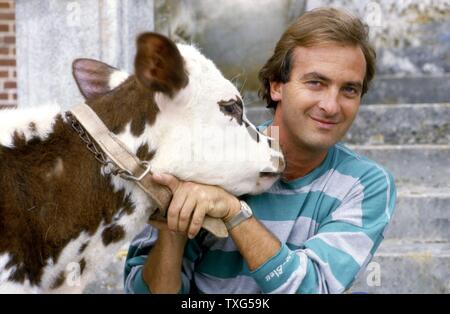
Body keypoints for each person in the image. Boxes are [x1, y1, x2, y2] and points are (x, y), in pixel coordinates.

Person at [124, 7, 396, 294]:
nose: (331, 105)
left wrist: (234, 213)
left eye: (349, 90)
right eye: (316, 82)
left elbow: (314, 289)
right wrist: (174, 222)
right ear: (276, 86)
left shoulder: (365, 185)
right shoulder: (206, 156)